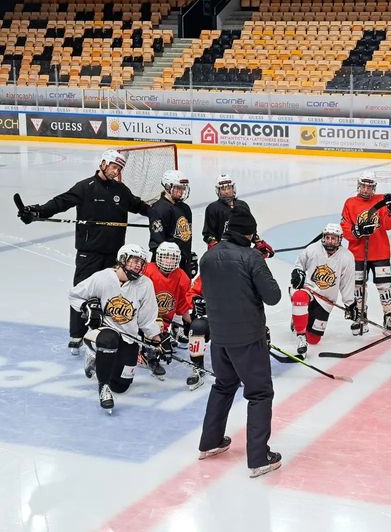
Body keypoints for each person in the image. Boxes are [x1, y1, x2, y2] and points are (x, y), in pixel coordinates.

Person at [17, 149, 150, 355]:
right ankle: (77, 334)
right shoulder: (85, 187)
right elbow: (60, 202)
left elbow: (140, 206)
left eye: (119, 168)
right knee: (82, 290)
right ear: (104, 163)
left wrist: (160, 212)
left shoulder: (121, 190)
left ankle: (106, 330)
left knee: (111, 294)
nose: (116, 171)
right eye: (114, 167)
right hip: (89, 253)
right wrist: (37, 211)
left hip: (114, 255)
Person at [198, 204, 282, 478]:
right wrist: (260, 263)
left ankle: (210, 442)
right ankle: (259, 457)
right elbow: (273, 296)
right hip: (248, 338)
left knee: (223, 386)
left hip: (219, 337)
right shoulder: (251, 258)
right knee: (259, 393)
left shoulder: (207, 259)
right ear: (249, 234)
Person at [68, 244, 171, 413]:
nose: (139, 265)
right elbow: (74, 295)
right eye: (135, 260)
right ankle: (103, 388)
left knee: (121, 385)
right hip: (101, 333)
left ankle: (96, 361)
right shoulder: (102, 278)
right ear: (123, 259)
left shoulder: (145, 284)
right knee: (109, 341)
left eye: (141, 262)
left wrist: (157, 340)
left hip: (128, 337)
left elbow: (147, 319)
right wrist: (86, 306)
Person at [340, 170, 391, 334]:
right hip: (357, 253)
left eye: (369, 186)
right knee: (358, 286)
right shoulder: (350, 203)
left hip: (380, 252)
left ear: (374, 187)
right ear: (359, 186)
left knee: (384, 286)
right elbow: (344, 227)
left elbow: (388, 225)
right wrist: (356, 232)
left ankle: (388, 316)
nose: (366, 190)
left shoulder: (381, 200)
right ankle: (360, 315)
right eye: (363, 186)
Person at [290, 223, 358, 358]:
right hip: (309, 290)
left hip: (326, 301)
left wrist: (350, 303)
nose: (330, 241)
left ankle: (301, 319)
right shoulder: (312, 249)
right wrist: (297, 273)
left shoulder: (347, 257)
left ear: (339, 239)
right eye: (328, 237)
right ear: (323, 237)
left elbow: (347, 282)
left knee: (314, 340)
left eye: (334, 238)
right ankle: (300, 335)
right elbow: (299, 264)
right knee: (299, 297)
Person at [143, 241, 197, 385]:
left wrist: (193, 324)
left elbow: (182, 305)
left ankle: (153, 347)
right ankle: (148, 354)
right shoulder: (147, 270)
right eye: (166, 257)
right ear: (158, 256)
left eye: (172, 257)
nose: (169, 261)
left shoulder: (181, 277)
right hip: (141, 318)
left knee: (166, 350)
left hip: (162, 324)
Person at [201, 173, 275, 259]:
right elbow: (208, 234)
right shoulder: (212, 208)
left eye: (229, 188)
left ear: (233, 188)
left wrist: (258, 242)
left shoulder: (242, 205)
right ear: (218, 191)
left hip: (243, 251)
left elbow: (249, 229)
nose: (226, 191)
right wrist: (215, 246)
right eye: (223, 189)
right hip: (224, 254)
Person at [148, 169, 196, 278]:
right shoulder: (159, 209)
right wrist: (168, 263)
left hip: (182, 262)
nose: (181, 191)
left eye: (183, 188)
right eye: (178, 188)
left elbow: (185, 237)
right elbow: (158, 242)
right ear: (167, 187)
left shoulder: (185, 208)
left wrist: (188, 256)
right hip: (166, 265)